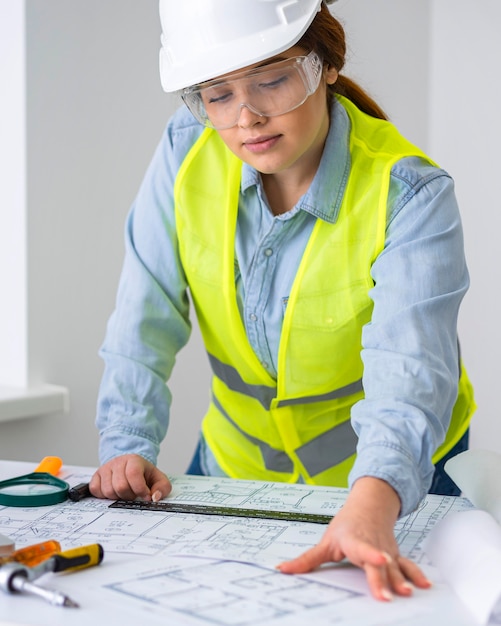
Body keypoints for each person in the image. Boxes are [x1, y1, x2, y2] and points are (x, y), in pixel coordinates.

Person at [89, 0, 475, 602]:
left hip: (392, 480)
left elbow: (411, 371)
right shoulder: (185, 151)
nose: (247, 117)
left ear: (325, 64)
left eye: (272, 79)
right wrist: (125, 446)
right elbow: (145, 314)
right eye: (217, 95)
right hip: (234, 467)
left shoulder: (410, 193)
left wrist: (373, 500)